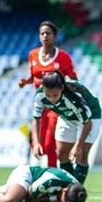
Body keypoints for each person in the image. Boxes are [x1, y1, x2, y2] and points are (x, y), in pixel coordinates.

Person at [19, 21, 78, 168]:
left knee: (50, 141)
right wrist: (25, 82)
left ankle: (52, 170)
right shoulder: (33, 55)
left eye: (48, 33)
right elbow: (35, 76)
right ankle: (35, 170)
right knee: (37, 140)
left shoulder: (63, 57)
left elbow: (73, 79)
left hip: (56, 103)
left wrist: (68, 86)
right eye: (42, 33)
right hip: (40, 101)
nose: (45, 36)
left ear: (55, 36)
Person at [32, 71, 102, 184]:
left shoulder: (73, 99)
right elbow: (36, 118)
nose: (51, 99)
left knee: (81, 154)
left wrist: (78, 146)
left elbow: (87, 123)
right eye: (48, 95)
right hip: (67, 116)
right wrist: (36, 143)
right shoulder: (39, 96)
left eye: (55, 95)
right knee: (61, 154)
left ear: (62, 88)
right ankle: (67, 186)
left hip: (90, 117)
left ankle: (75, 188)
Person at [0, 165, 87, 202]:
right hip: (27, 174)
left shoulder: (76, 186)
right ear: (65, 190)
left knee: (18, 195)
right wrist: (54, 198)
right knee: (12, 199)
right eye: (65, 200)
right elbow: (29, 197)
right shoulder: (51, 179)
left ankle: (7, 190)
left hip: (41, 188)